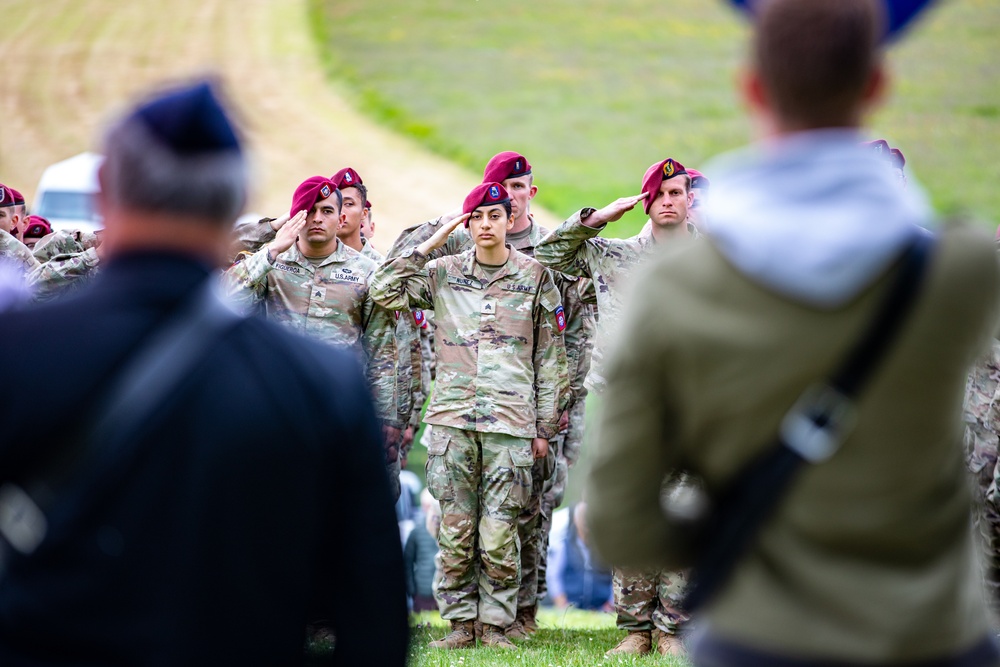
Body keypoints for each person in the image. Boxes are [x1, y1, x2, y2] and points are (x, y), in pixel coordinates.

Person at [587, 0, 1000, 664]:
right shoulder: (965, 271)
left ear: (751, 86)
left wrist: (753, 529)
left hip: (758, 635)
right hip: (928, 636)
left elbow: (618, 523)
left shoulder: (672, 287)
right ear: (877, 86)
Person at [0, 80, 408, 666]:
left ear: (105, 196)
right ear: (234, 204)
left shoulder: (19, 354)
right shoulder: (321, 383)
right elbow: (373, 621)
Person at [386, 151, 595, 639]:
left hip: (512, 425)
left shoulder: (535, 275)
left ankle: (497, 623)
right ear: (468, 222)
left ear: (510, 219)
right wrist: (436, 239)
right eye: (476, 217)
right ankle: (461, 623)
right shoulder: (442, 273)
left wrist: (545, 428)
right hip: (452, 422)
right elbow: (385, 289)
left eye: (494, 216)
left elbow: (551, 356)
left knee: (500, 532)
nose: (485, 225)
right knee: (456, 530)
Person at [535, 156, 697, 657]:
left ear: (690, 198)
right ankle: (635, 628)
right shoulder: (614, 255)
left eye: (676, 194)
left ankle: (671, 628)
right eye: (659, 195)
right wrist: (596, 218)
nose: (668, 203)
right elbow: (549, 254)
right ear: (646, 202)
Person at [223, 175, 406, 496]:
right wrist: (271, 252)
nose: (317, 219)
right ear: (295, 218)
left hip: (338, 409)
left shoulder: (366, 272)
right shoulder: (272, 264)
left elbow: (383, 352)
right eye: (309, 211)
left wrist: (386, 417)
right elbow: (224, 300)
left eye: (326, 211)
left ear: (341, 218)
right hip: (276, 406)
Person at [547, 502, 613, 611]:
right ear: (575, 519)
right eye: (583, 517)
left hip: (603, 608)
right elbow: (554, 576)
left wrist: (611, 603)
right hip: (570, 606)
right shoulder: (563, 545)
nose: (586, 521)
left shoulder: (606, 548)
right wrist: (562, 603)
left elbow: (616, 576)